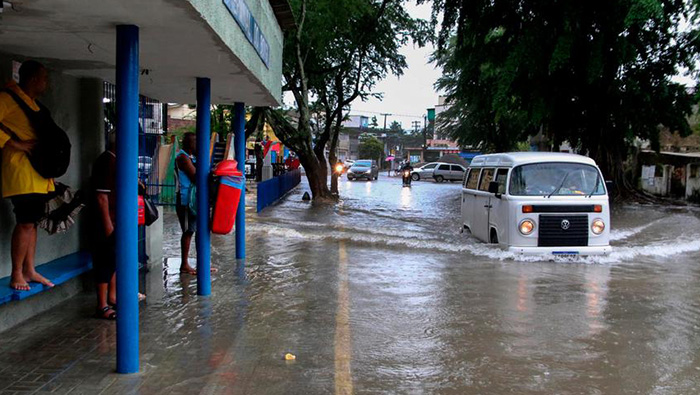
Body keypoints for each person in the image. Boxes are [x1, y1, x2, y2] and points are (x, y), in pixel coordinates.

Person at [0, 60, 55, 291]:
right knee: (24, 223)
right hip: (21, 170)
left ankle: (30, 269)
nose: (46, 83)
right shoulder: (7, 98)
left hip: (38, 173)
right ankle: (16, 273)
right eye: (44, 78)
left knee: (32, 223)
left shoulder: (31, 103)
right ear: (33, 79)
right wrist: (15, 144)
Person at [90, 130, 146, 319]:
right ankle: (102, 305)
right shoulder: (107, 161)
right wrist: (108, 226)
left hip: (116, 220)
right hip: (107, 221)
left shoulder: (116, 161)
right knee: (104, 261)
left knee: (113, 260)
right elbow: (101, 197)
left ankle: (113, 297)